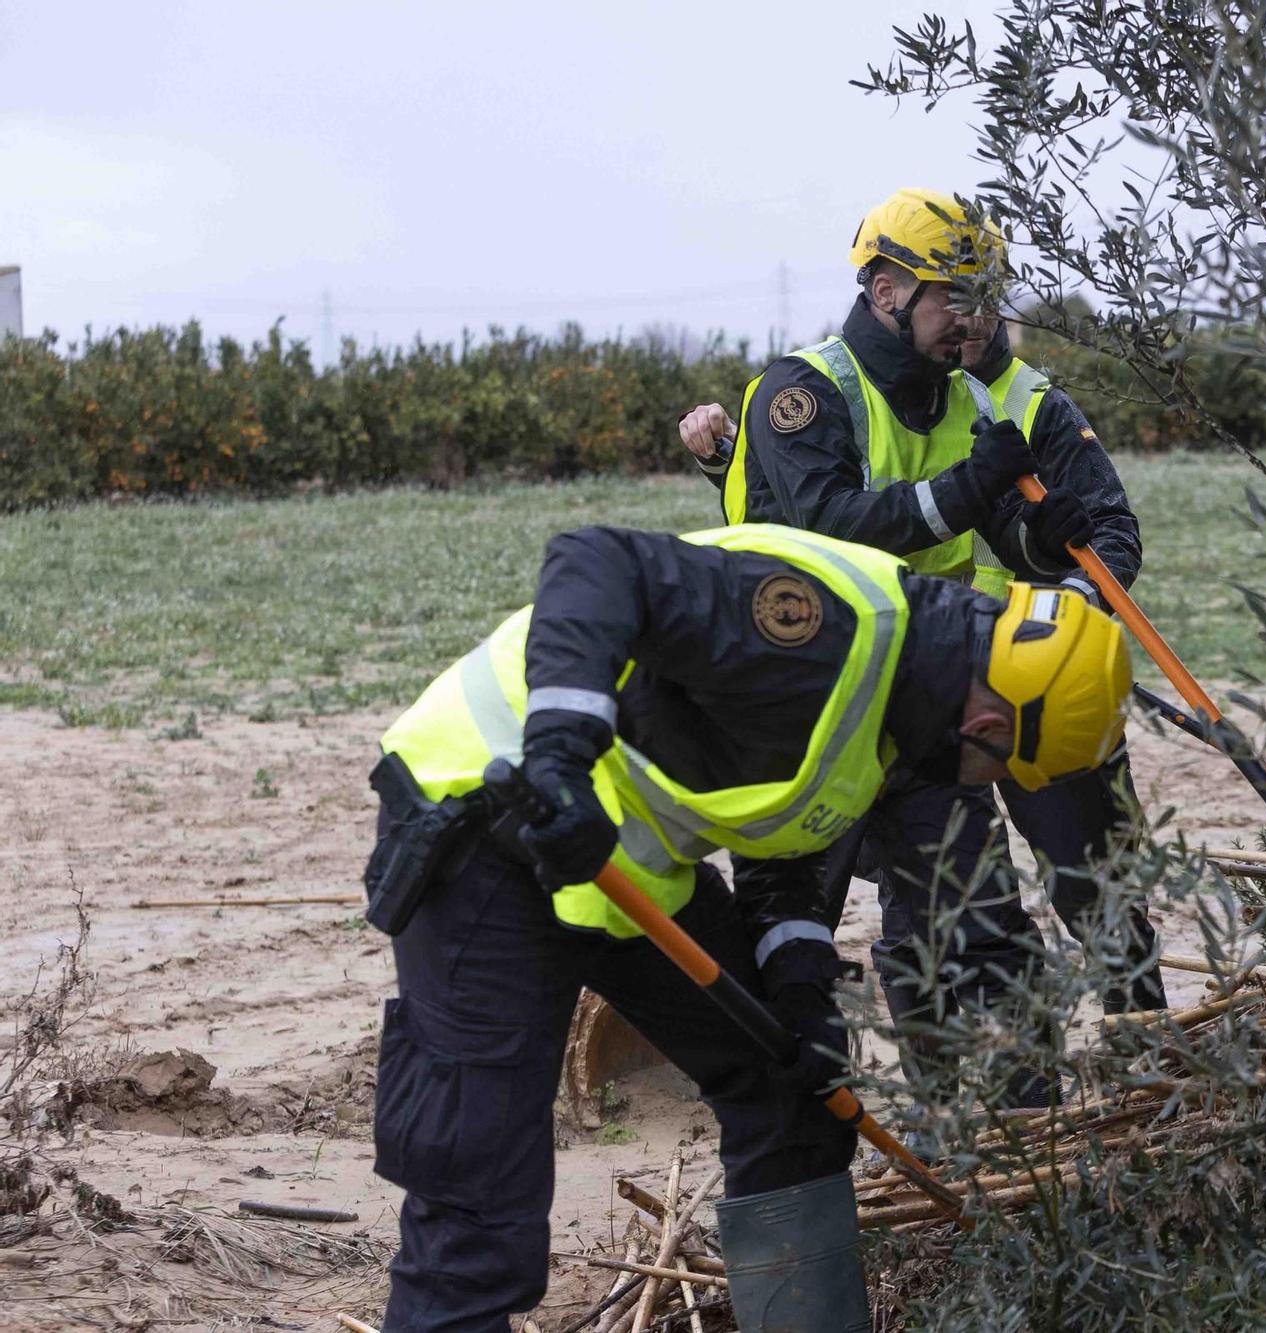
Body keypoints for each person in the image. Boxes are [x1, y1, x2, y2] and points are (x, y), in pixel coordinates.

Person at [363, 520, 1131, 1332]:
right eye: (1000, 769)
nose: (981, 782)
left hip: (621, 868)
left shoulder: (913, 705)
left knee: (794, 1095)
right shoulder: (822, 627)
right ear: (990, 726)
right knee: (480, 1188)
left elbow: (788, 836)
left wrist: (798, 990)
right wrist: (559, 764)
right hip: (491, 817)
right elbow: (591, 560)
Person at [677, 189, 1166, 1111]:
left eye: (989, 299)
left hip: (950, 688)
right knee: (787, 930)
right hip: (801, 709)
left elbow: (1066, 530)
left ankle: (1049, 1113)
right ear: (887, 286)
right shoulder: (801, 394)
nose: (978, 321)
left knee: (989, 912)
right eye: (957, 298)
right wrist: (971, 496)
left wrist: (1044, 570)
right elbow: (826, 536)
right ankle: (776, 1111)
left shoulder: (994, 395)